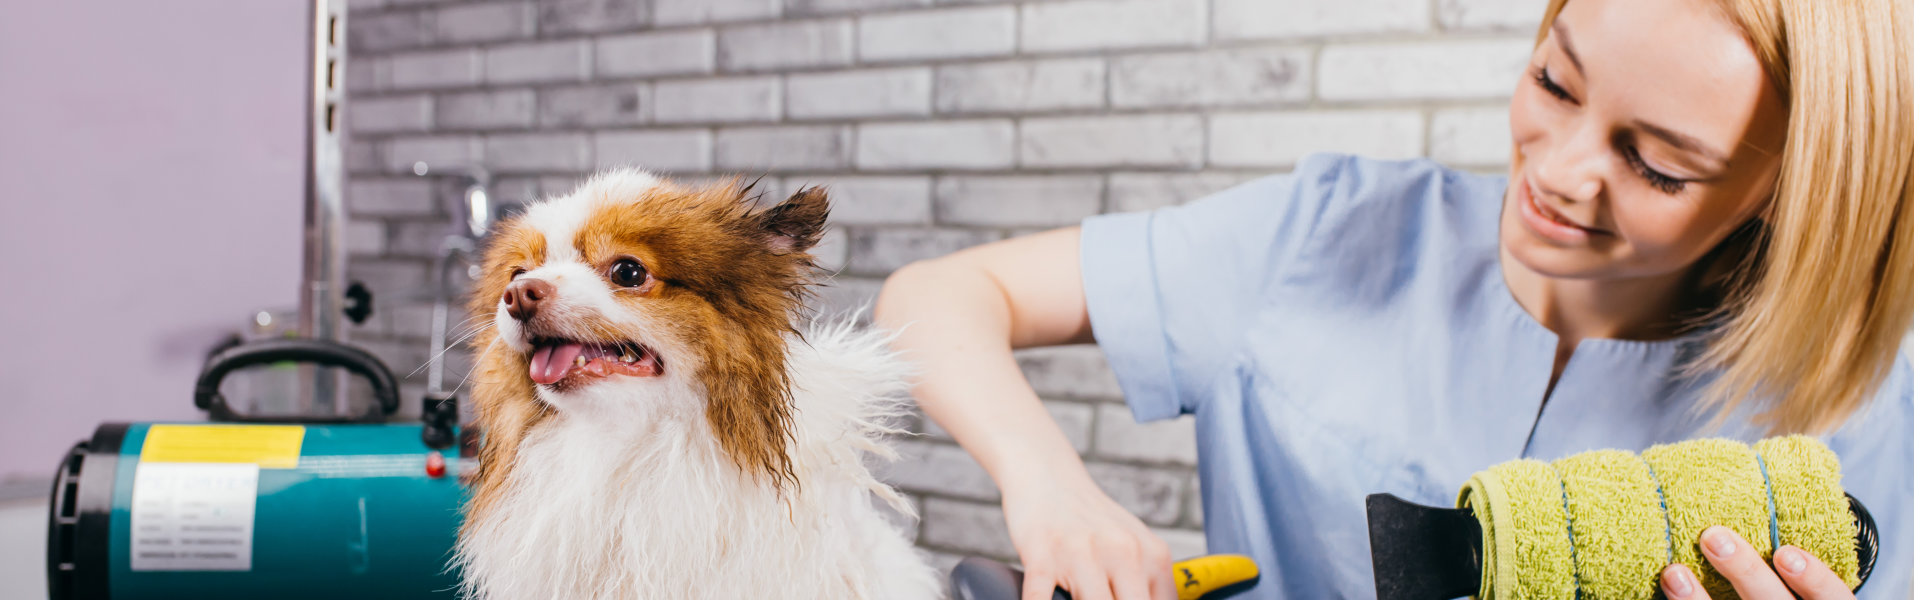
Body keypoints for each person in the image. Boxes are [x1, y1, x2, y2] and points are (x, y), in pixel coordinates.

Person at [872, 0, 1912, 597]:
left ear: (1788, 196)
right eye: (1555, 83)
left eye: (1657, 166)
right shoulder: (1326, 233)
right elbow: (940, 293)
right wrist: (1051, 488)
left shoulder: (1846, 412)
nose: (1557, 171)